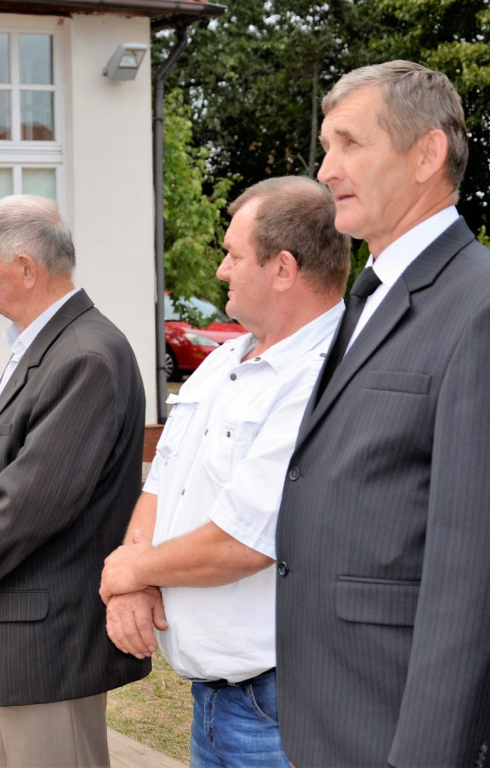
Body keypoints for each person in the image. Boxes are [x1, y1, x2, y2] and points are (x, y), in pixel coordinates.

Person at [275, 61, 490, 766]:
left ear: (426, 154)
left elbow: (473, 574)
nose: (326, 168)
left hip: (397, 730)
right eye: (324, 145)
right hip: (332, 717)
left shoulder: (482, 307)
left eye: (348, 143)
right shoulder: (371, 295)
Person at [98, 176, 350, 768]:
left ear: (283, 269)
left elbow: (245, 541)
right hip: (213, 702)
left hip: (279, 706)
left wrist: (131, 567)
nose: (220, 271)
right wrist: (137, 577)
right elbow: (162, 482)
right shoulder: (225, 361)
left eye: (234, 255)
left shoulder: (325, 375)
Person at [0, 195, 149, 767]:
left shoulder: (84, 355)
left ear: (25, 267)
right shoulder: (49, 344)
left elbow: (27, 506)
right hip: (18, 635)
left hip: (47, 646)